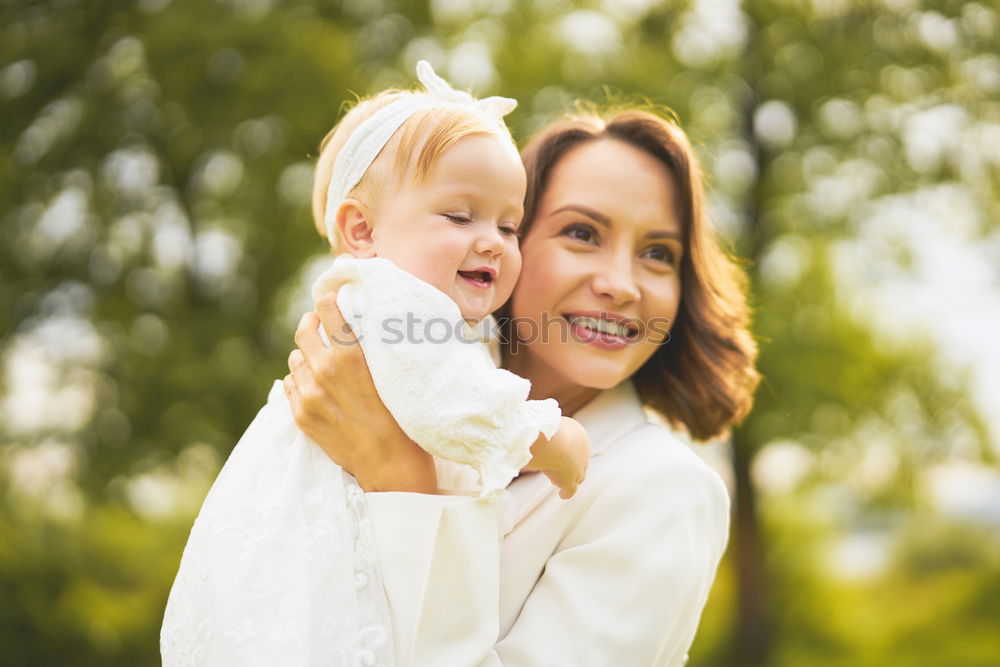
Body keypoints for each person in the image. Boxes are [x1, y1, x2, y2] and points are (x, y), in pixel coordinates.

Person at [284, 105, 760, 665]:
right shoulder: (384, 378)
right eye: (582, 233)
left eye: (658, 254)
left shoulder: (664, 491)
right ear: (508, 240)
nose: (621, 285)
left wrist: (399, 479)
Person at [161, 62, 590, 667]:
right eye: (460, 216)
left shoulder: (409, 309)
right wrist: (548, 435)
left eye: (509, 224)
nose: (493, 240)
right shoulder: (391, 297)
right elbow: (446, 400)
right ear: (361, 230)